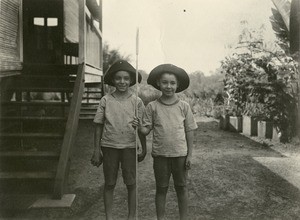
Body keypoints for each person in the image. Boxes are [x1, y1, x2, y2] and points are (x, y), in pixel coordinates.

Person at [134, 64, 198, 220]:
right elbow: (145, 130)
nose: (168, 86)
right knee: (161, 189)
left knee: (181, 187)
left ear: (177, 85)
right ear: (158, 83)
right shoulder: (152, 107)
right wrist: (139, 126)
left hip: (180, 155)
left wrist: (190, 155)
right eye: (165, 82)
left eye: (172, 83)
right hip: (160, 155)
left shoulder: (184, 107)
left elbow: (189, 130)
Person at [91, 60, 146, 220]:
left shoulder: (137, 102)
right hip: (109, 146)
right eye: (118, 78)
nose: (122, 82)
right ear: (113, 80)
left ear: (131, 81)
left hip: (129, 146)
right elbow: (98, 126)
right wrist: (96, 150)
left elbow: (142, 128)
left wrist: (143, 147)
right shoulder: (106, 100)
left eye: (126, 78)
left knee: (131, 183)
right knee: (109, 183)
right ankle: (109, 217)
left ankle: (131, 216)